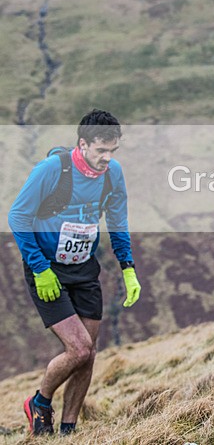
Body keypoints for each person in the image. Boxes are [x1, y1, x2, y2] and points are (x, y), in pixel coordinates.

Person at [8, 109, 141, 435]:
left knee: (88, 354)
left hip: (84, 268)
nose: (107, 158)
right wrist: (40, 269)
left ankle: (69, 429)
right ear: (82, 144)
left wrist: (128, 267)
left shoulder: (112, 173)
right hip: (47, 269)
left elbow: (117, 221)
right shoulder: (52, 169)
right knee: (79, 348)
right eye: (101, 150)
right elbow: (17, 217)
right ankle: (39, 402)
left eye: (113, 151)